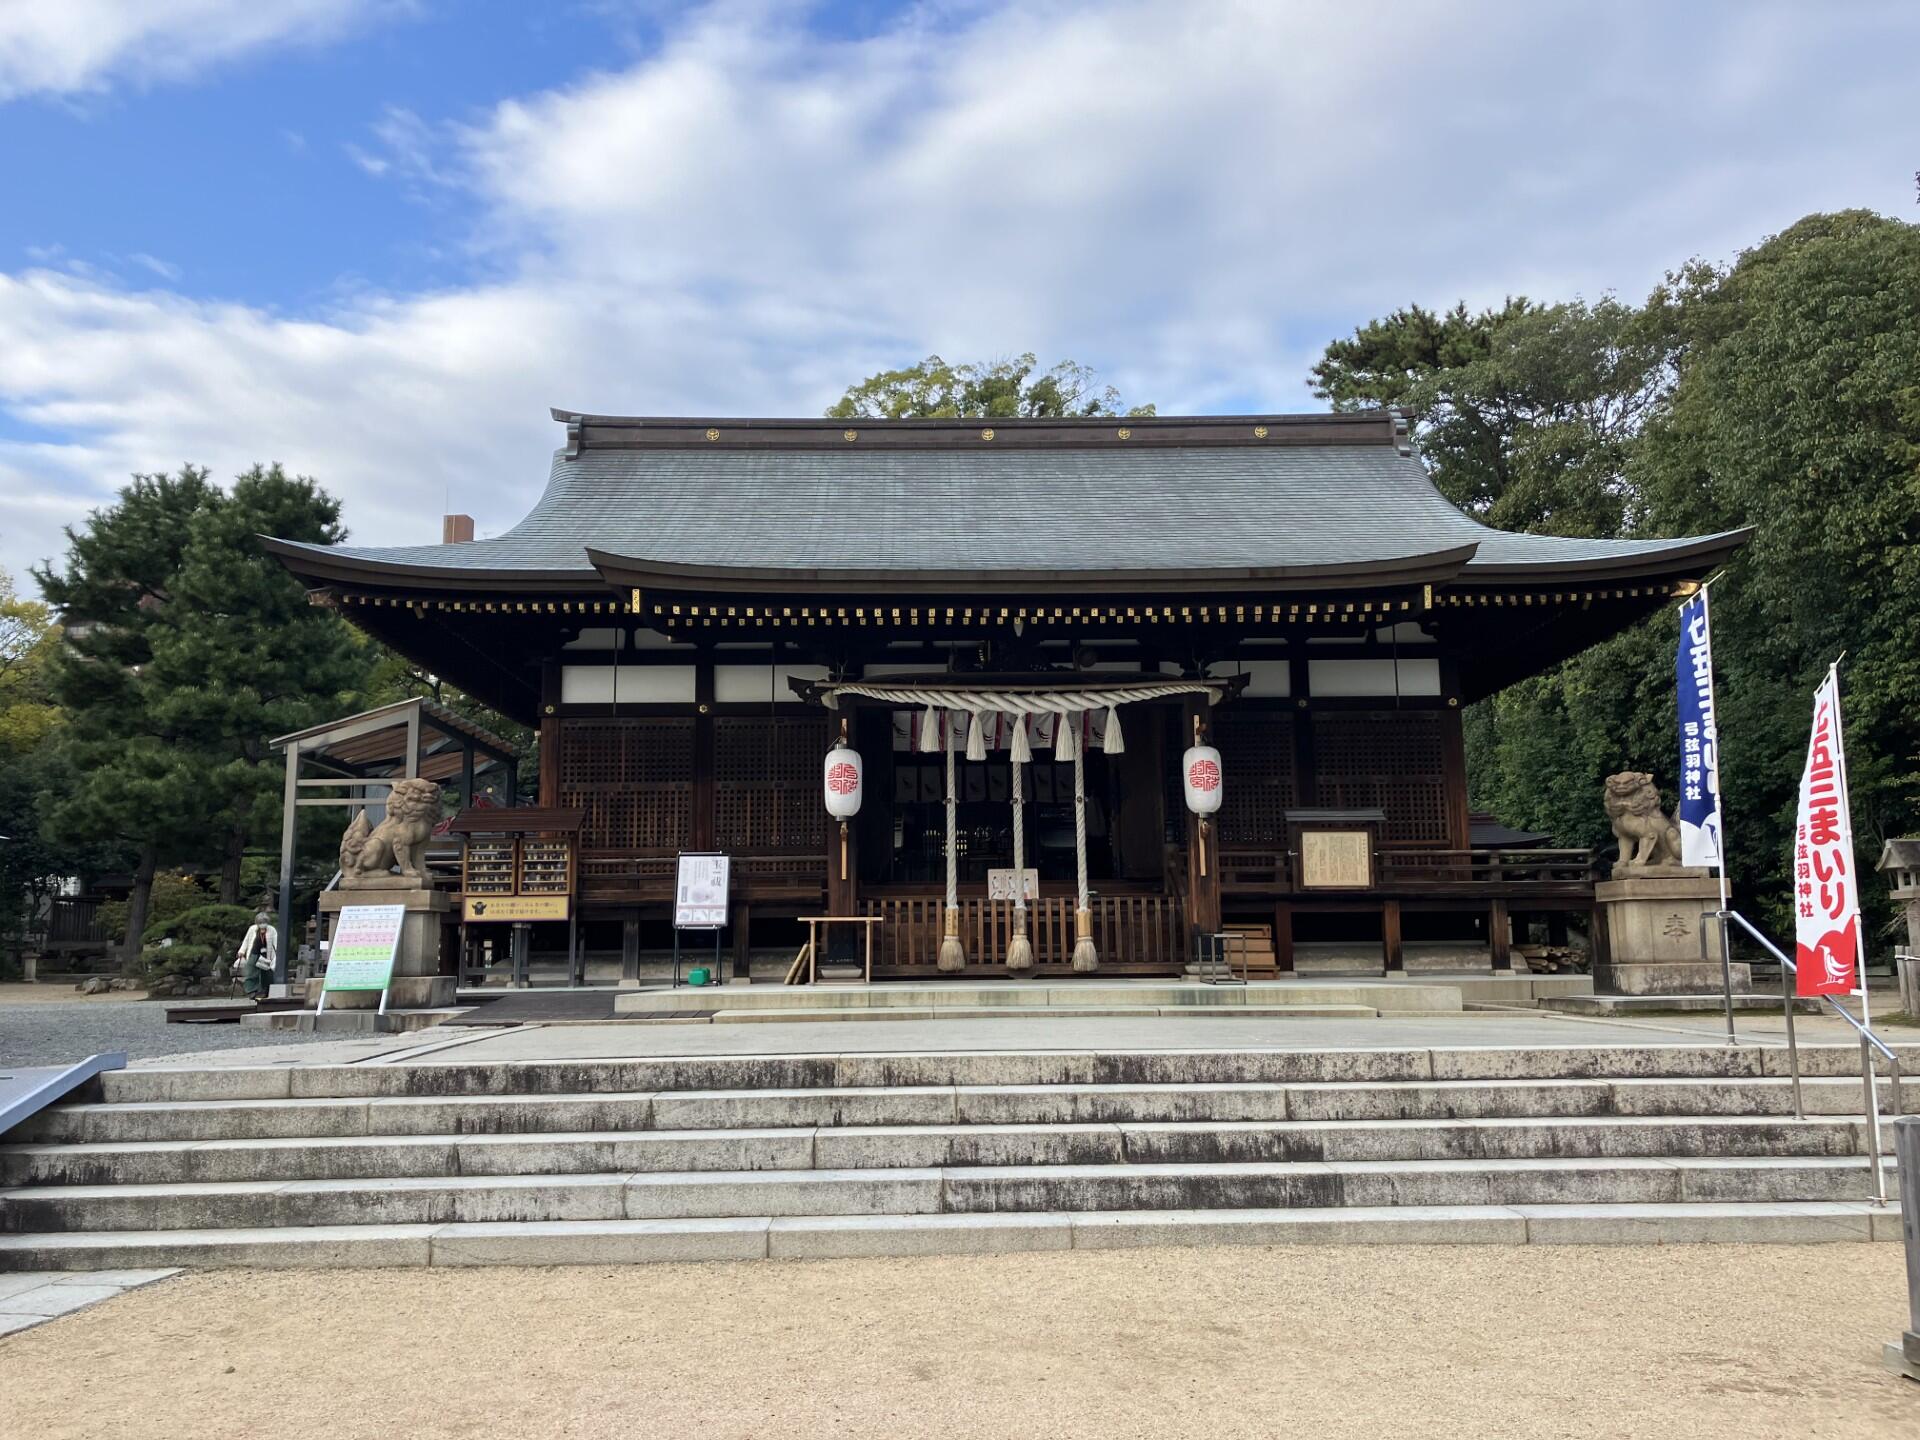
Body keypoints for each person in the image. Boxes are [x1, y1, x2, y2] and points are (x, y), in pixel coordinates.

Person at [232, 916, 277, 1002]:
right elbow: (246, 940)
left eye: (264, 922)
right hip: (254, 953)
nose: (262, 924)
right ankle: (251, 991)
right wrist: (241, 951)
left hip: (266, 955)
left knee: (266, 974)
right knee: (251, 972)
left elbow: (276, 942)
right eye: (260, 922)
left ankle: (265, 991)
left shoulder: (272, 930)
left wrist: (277, 952)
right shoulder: (252, 929)